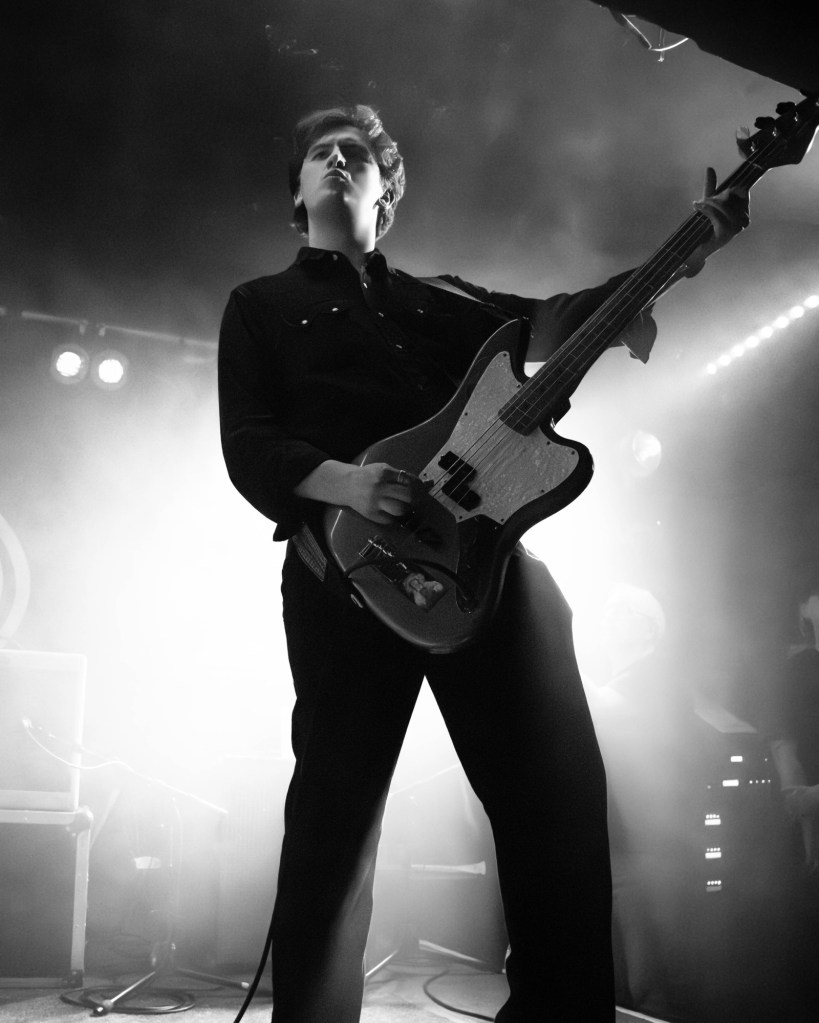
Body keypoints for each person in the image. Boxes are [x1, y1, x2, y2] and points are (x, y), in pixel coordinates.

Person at [217, 104, 749, 1023]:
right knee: (334, 825)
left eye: (357, 154)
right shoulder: (259, 304)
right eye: (319, 154)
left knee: (559, 804)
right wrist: (346, 482)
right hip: (346, 570)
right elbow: (248, 440)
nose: (338, 160)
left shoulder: (447, 300)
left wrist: (691, 248)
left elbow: (564, 321)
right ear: (296, 193)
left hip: (487, 562)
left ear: (386, 192)